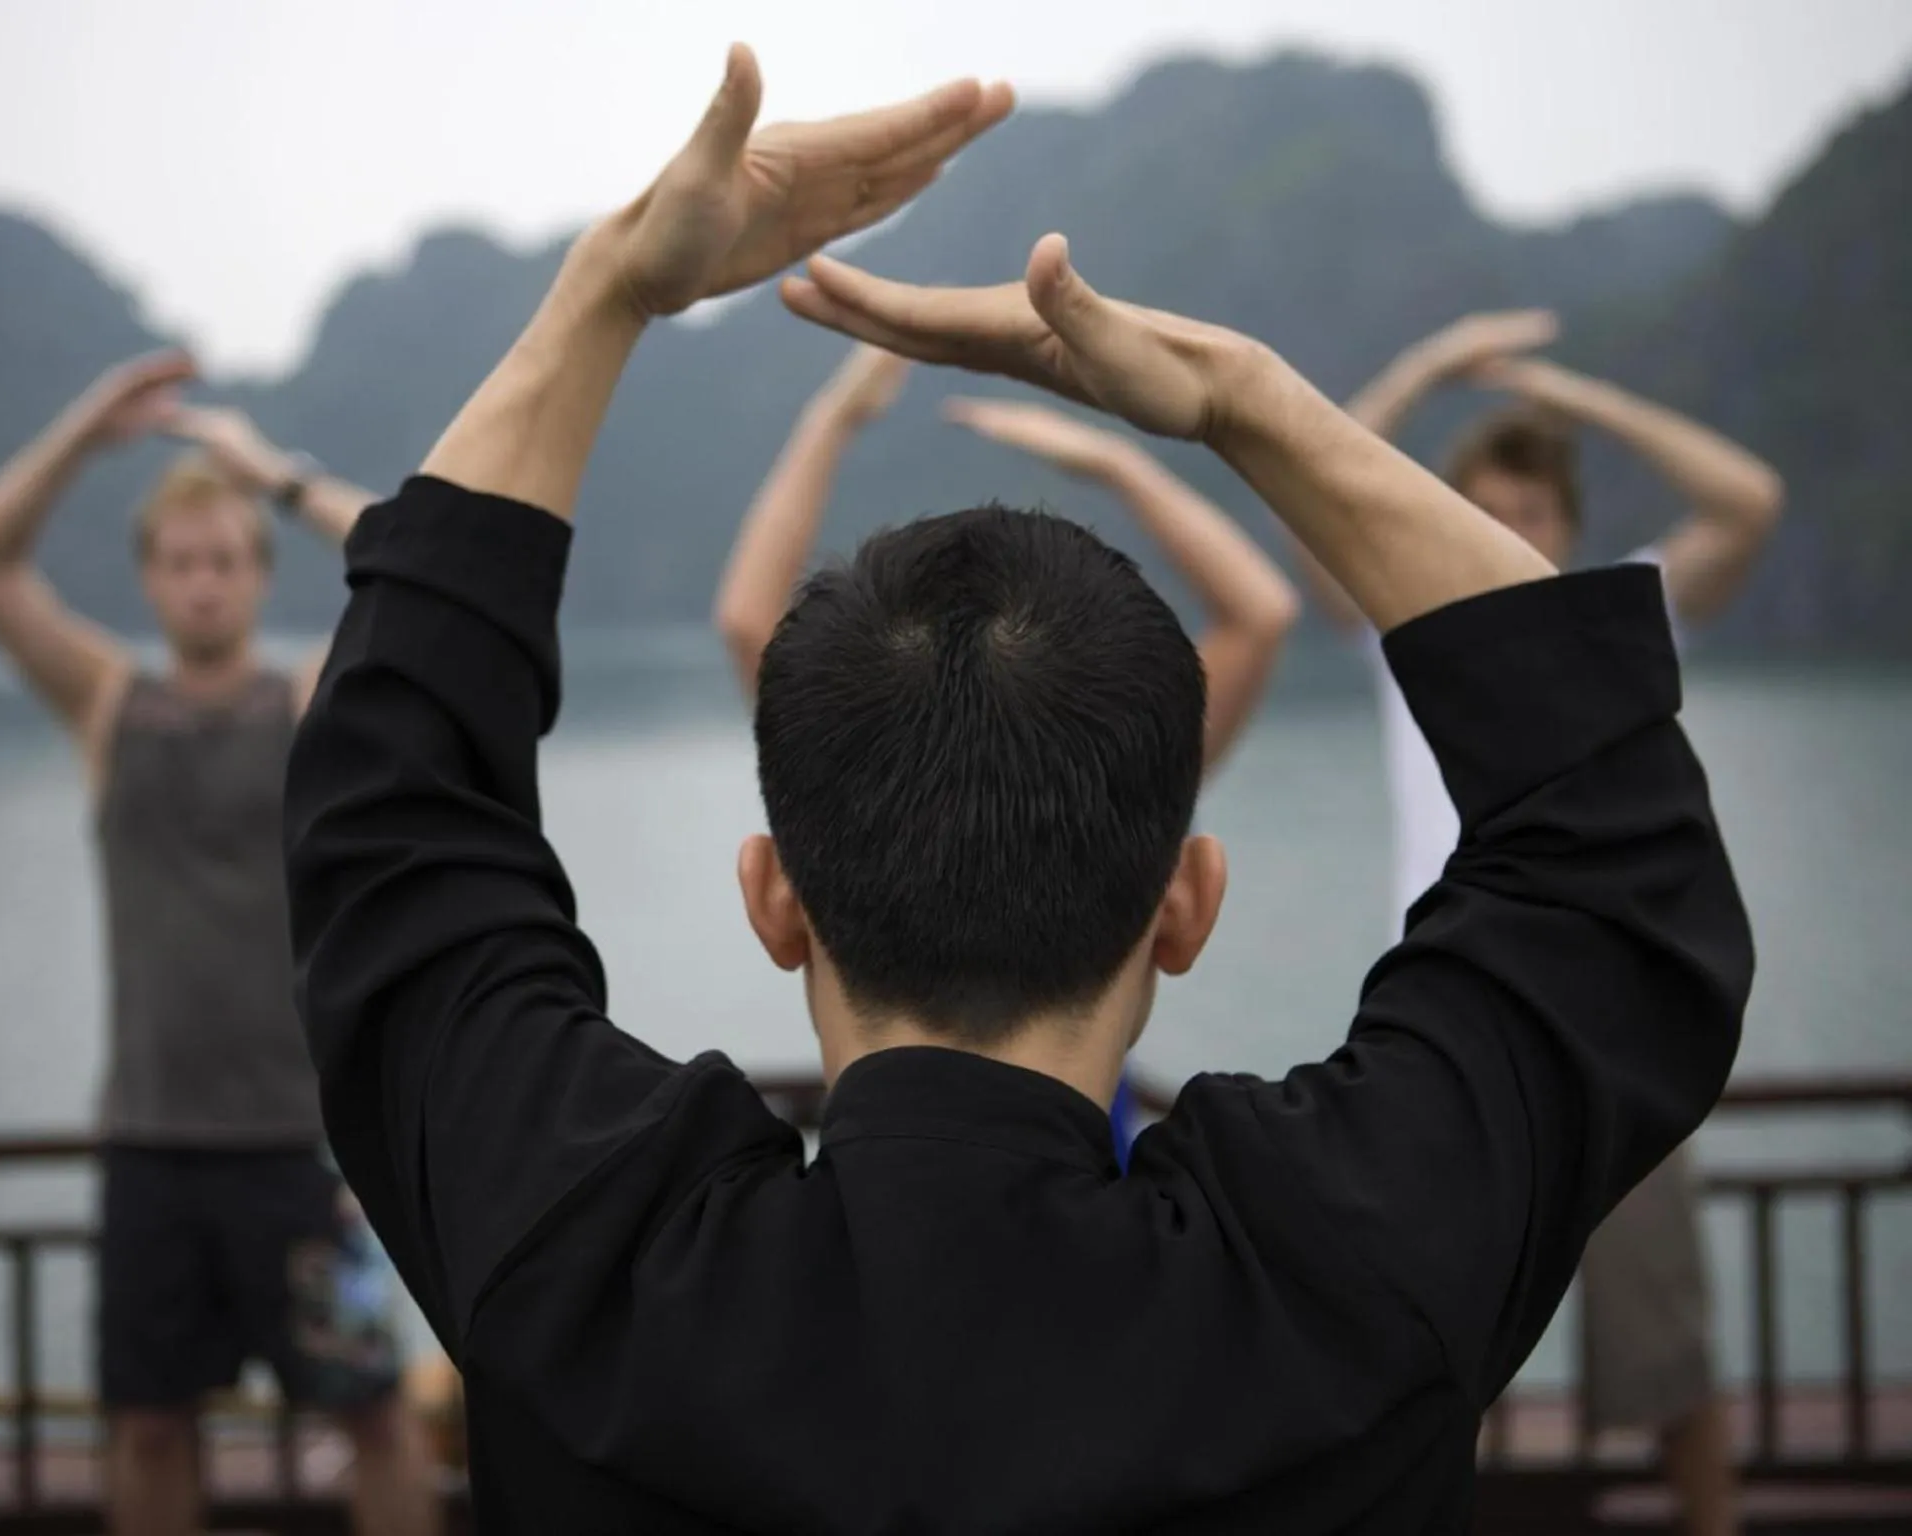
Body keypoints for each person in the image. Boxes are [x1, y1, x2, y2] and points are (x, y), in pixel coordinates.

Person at [284, 46, 1751, 1534]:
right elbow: (1609, 856)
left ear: (773, 899)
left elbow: (390, 815)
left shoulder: (591, 1272)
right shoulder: (1335, 1284)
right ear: (1185, 904)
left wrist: (605, 292)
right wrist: (1244, 403)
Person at [1291, 311, 1784, 1536]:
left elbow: (1749, 502)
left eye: (1534, 514)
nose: (1510, 536)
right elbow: (1315, 480)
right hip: (1445, 1016)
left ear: (1568, 528)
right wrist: (1420, 367)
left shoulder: (1623, 629)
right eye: (1484, 512)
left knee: (1665, 1340)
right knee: (1418, 1341)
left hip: (1611, 1023)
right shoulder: (1414, 642)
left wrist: (1577, 396)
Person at [0, 360, 438, 1536]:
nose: (203, 584)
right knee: (150, 1425)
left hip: (301, 1155)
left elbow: (414, 579)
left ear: (257, 576)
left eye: (224, 560)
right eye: (181, 564)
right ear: (151, 583)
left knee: (375, 1417)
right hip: (152, 1150)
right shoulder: (110, 704)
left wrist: (270, 473)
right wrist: (80, 435)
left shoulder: (307, 702)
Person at [712, 357, 1300, 1164]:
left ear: (772, 895)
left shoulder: (850, 768)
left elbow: (749, 624)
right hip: (1091, 1187)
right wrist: (1119, 463)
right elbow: (1260, 612)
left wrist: (831, 420)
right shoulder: (1109, 771)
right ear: (1188, 900)